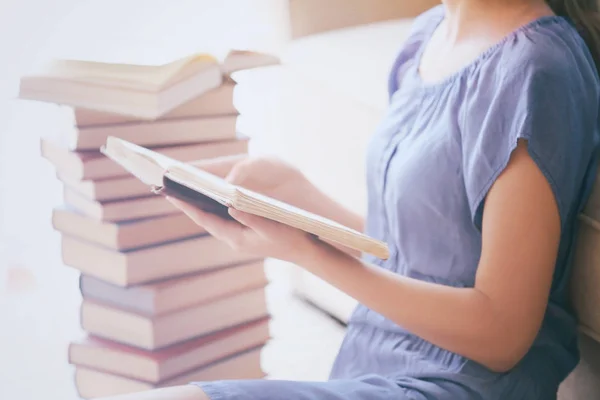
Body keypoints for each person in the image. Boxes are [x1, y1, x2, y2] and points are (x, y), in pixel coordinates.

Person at [100, 0, 600, 399]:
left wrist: (307, 251)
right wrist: (299, 198)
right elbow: (422, 251)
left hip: (458, 385)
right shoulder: (427, 36)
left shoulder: (538, 71)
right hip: (371, 360)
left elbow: (502, 335)